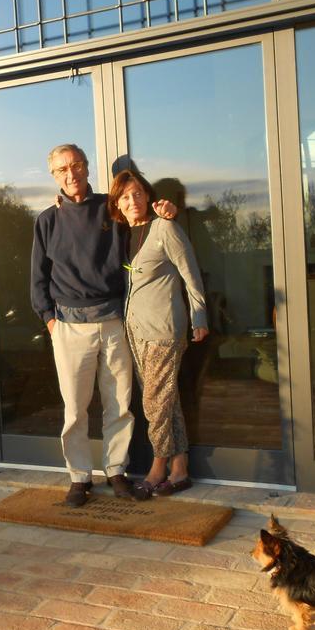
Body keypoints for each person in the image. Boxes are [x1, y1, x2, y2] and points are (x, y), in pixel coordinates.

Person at [30, 143, 174, 507]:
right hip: (68, 327)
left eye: (76, 165)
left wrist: (165, 212)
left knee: (119, 404)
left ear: (87, 167)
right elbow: (38, 279)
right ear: (54, 176)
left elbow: (142, 223)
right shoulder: (47, 220)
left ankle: (115, 470)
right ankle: (80, 477)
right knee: (76, 409)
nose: (71, 173)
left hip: (113, 323)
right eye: (62, 169)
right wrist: (50, 321)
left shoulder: (110, 211)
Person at [108, 167, 208, 497]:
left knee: (153, 402)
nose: (132, 200)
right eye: (125, 196)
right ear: (118, 204)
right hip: (135, 331)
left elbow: (190, 274)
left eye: (137, 193)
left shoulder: (165, 228)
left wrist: (199, 317)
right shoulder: (123, 235)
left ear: (148, 196)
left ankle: (158, 466)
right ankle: (181, 470)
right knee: (166, 399)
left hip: (165, 328)